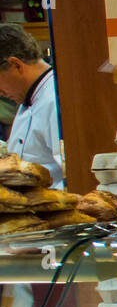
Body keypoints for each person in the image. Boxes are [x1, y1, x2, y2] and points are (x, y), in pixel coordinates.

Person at [0, 24, 63, 189]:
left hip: (53, 206)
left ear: (16, 65)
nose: (0, 92)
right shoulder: (27, 96)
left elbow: (69, 174)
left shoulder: (55, 100)